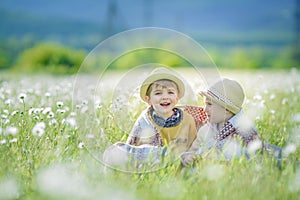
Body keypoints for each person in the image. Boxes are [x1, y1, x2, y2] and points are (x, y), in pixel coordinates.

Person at [103, 67, 200, 170]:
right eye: (158, 93)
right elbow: (132, 144)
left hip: (178, 164)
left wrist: (189, 157)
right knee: (118, 151)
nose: (165, 97)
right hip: (151, 163)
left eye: (170, 92)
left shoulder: (187, 119)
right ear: (148, 100)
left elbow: (194, 146)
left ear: (176, 98)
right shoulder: (145, 120)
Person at [181, 78, 262, 167]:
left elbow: (237, 162)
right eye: (205, 104)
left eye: (209, 104)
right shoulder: (208, 127)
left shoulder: (244, 133)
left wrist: (201, 159)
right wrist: (189, 156)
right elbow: (195, 148)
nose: (205, 109)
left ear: (226, 109)